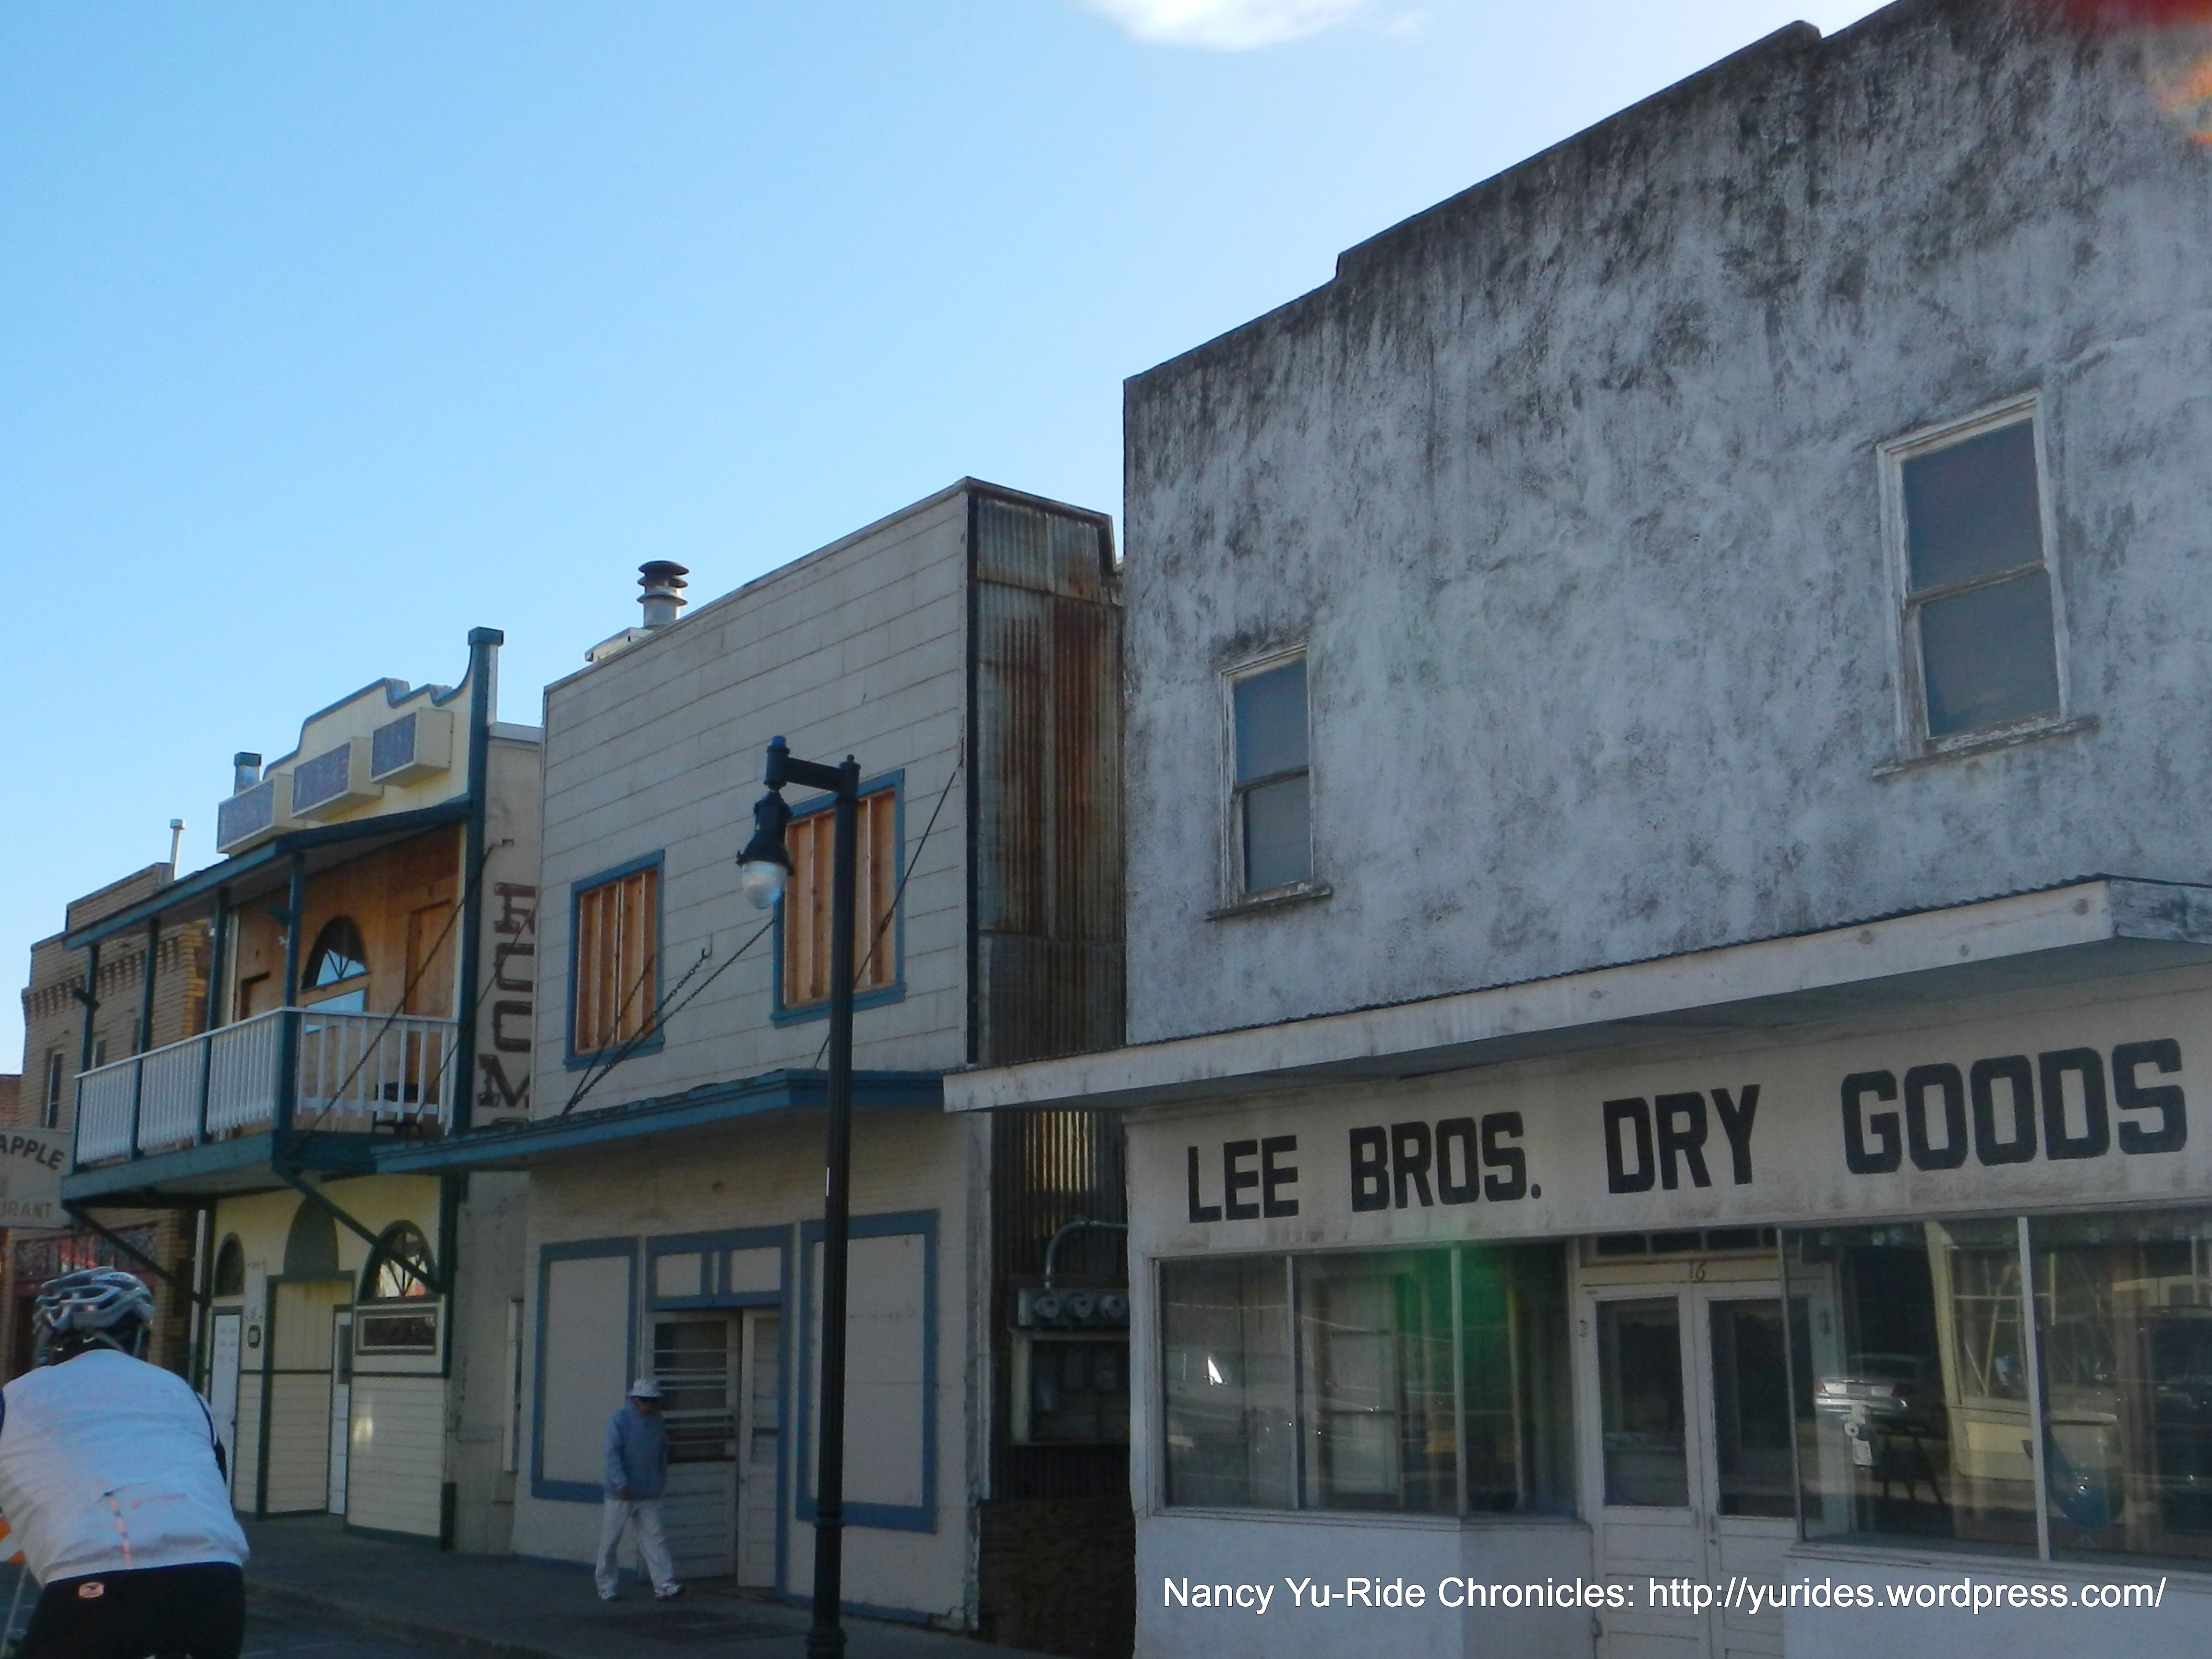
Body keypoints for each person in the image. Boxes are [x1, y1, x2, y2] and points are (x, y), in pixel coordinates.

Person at [0, 1267, 249, 1659]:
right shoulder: (183, 1393)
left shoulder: (13, 1399)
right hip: (216, 1576)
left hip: (94, 1576)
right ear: (138, 1336)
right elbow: (217, 1478)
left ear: (51, 1340)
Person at [596, 1377, 682, 1602]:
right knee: (611, 1541)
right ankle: (606, 1585)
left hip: (649, 1491)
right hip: (620, 1494)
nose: (649, 1405)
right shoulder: (619, 1420)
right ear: (634, 1399)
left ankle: (664, 1583)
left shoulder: (658, 1422)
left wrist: (660, 1481)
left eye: (653, 1401)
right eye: (645, 1400)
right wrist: (621, 1483)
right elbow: (612, 1454)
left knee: (656, 1538)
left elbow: (663, 1453)